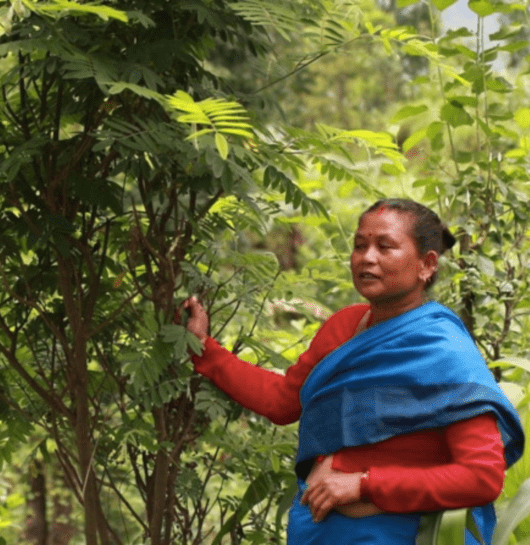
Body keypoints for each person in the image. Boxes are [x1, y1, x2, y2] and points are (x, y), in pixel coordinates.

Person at [182, 198, 525, 544]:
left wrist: (364, 484)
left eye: (385, 247)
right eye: (360, 246)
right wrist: (204, 349)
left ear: (427, 264)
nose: (367, 257)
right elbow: (282, 401)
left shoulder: (445, 352)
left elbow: (480, 477)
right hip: (318, 529)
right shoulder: (344, 326)